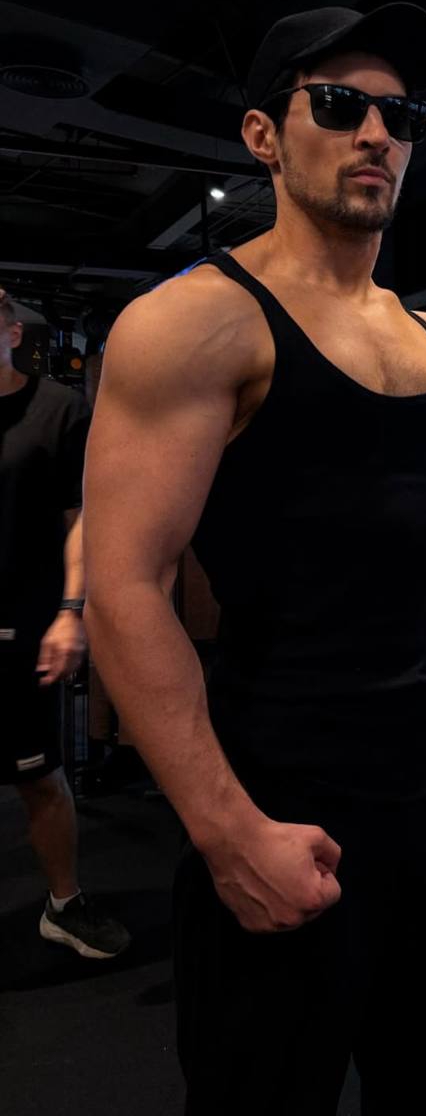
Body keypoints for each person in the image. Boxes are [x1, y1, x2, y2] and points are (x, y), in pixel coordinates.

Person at [82, 4, 426, 1115]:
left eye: (401, 114)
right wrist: (225, 830)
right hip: (279, 788)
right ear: (264, 135)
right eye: (339, 106)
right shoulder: (195, 324)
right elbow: (123, 585)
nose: (376, 133)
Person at [0, 288, 129, 959]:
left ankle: (65, 905)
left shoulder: (59, 410)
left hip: (23, 628)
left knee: (40, 778)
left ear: (11, 333)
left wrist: (70, 612)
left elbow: (81, 521)